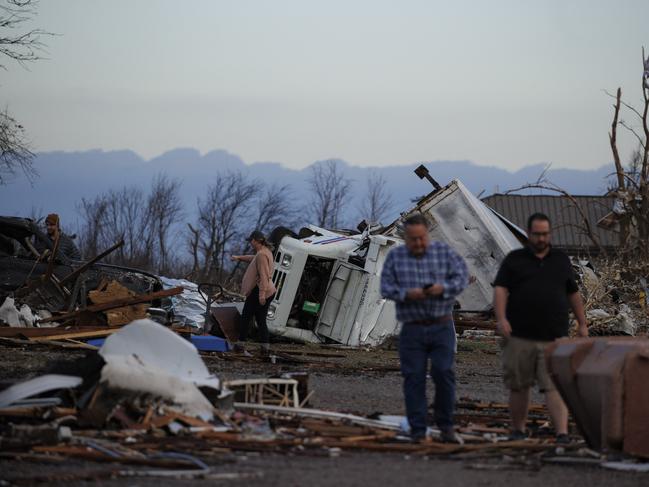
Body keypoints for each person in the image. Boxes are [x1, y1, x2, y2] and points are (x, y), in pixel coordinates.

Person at [493, 212, 588, 443]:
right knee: (519, 386)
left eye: (545, 234)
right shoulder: (514, 260)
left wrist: (583, 323)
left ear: (550, 234)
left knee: (555, 387)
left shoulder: (561, 260)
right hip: (519, 336)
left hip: (554, 337)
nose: (541, 238)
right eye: (537, 234)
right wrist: (502, 318)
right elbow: (500, 289)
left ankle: (562, 433)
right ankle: (518, 430)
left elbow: (572, 292)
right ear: (528, 234)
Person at [381, 214, 469, 443]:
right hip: (412, 328)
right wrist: (407, 294)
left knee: (444, 372)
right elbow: (386, 288)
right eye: (413, 239)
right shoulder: (395, 257)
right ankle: (418, 430)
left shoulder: (444, 253)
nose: (418, 243)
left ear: (427, 234)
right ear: (406, 238)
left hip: (441, 325)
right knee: (414, 377)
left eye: (421, 238)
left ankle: (446, 425)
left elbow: (463, 278)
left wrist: (444, 288)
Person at [231, 230, 277, 355]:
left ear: (256, 241)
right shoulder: (265, 252)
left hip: (260, 289)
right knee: (261, 319)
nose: (250, 243)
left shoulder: (262, 255)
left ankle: (240, 346)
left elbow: (264, 276)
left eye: (251, 241)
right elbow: (253, 259)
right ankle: (265, 347)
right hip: (268, 289)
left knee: (246, 317)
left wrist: (261, 295)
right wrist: (239, 258)